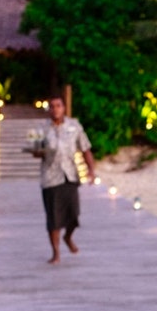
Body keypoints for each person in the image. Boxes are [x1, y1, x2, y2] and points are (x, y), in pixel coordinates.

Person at [31, 94, 96, 263]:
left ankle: (68, 237)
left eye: (58, 106)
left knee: (74, 214)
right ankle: (56, 253)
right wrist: (40, 150)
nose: (55, 109)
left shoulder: (74, 126)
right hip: (50, 178)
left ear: (64, 108)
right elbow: (34, 150)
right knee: (53, 217)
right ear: (49, 109)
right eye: (52, 106)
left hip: (70, 175)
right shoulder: (39, 128)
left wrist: (91, 170)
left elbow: (85, 148)